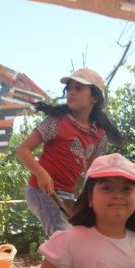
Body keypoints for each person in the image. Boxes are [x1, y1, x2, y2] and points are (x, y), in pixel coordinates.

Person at [17, 68, 122, 237]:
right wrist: (41, 174)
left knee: (76, 239)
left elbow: (92, 172)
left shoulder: (99, 134)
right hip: (41, 191)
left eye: (78, 88)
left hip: (66, 195)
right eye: (70, 88)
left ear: (94, 97)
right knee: (63, 239)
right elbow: (23, 150)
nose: (71, 92)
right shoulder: (57, 121)